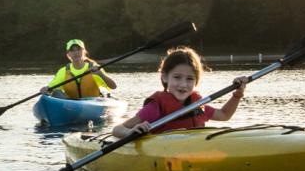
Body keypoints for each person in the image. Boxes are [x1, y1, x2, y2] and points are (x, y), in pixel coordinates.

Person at [112, 46, 247, 138]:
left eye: (189, 79)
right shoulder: (156, 107)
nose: (183, 85)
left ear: (196, 81)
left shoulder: (198, 105)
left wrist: (237, 95)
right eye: (177, 77)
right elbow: (117, 129)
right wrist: (130, 132)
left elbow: (224, 115)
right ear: (165, 77)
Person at [41, 38, 118, 99]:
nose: (76, 52)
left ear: (83, 51)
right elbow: (51, 88)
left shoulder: (94, 68)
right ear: (68, 54)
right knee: (56, 93)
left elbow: (113, 86)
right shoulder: (63, 71)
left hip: (92, 103)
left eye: (78, 49)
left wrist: (101, 74)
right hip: (71, 105)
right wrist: (46, 89)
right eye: (72, 50)